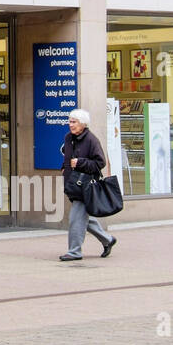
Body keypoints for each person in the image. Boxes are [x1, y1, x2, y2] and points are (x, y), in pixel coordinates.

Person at [59, 108, 116, 261]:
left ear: (83, 124)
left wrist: (81, 163)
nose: (70, 125)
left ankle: (74, 252)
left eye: (74, 122)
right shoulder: (68, 138)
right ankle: (107, 240)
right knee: (83, 218)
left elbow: (100, 162)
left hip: (86, 186)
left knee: (75, 218)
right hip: (72, 184)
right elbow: (68, 157)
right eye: (70, 121)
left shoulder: (91, 140)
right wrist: (64, 168)